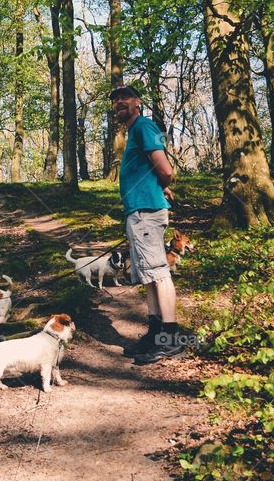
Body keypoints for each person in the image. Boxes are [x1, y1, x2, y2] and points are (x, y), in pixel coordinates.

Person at [110, 85, 182, 365]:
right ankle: (155, 334)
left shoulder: (143, 126)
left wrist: (161, 186)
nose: (119, 102)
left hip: (146, 213)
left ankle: (171, 338)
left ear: (137, 102)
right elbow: (152, 172)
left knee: (159, 273)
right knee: (149, 274)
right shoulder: (134, 132)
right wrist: (158, 188)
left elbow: (165, 170)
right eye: (115, 99)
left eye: (124, 97)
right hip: (138, 212)